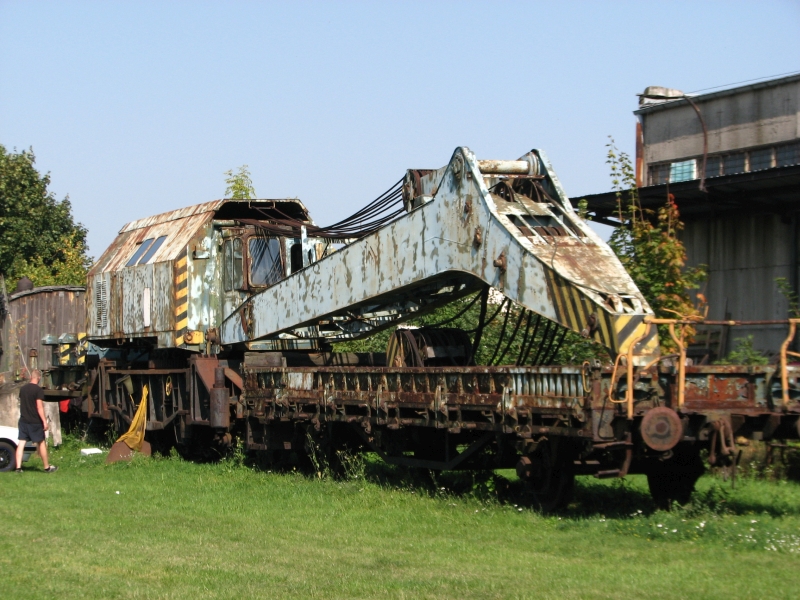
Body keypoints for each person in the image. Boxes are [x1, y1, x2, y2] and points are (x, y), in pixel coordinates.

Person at [15, 369, 57, 473]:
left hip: (23, 420)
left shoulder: (23, 389)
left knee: (21, 443)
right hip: (35, 421)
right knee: (41, 443)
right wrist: (44, 421)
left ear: (31, 377)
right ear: (38, 378)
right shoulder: (38, 390)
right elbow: (39, 407)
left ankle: (18, 468)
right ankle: (47, 467)